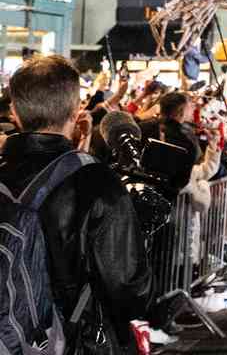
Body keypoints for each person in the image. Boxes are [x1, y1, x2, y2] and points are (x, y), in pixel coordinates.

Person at [0, 54, 153, 353]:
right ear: (75, 108)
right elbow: (128, 290)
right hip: (74, 342)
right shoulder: (96, 182)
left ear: (15, 111)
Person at [140, 90, 200, 195]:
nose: (192, 110)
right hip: (162, 198)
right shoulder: (187, 142)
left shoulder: (143, 128)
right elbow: (182, 180)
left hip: (134, 189)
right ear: (181, 111)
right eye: (189, 107)